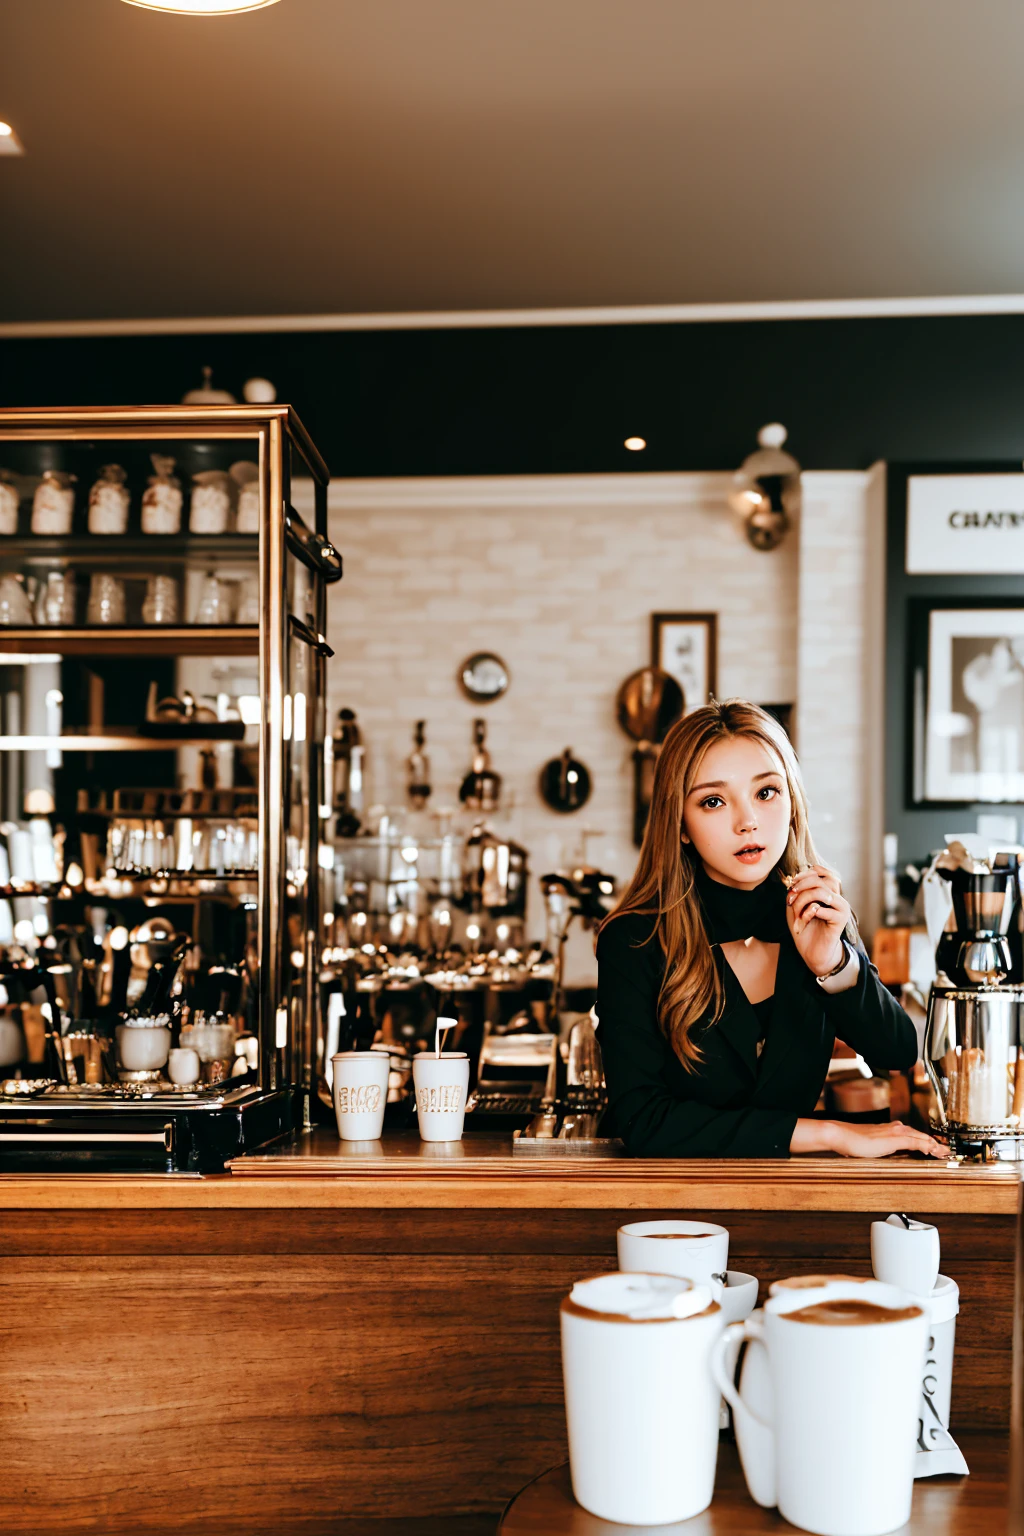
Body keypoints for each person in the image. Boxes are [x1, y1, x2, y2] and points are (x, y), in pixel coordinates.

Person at [596, 699, 945, 1159]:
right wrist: (831, 1134)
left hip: (787, 1201)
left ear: (793, 804)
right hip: (668, 1206)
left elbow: (898, 1053)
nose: (748, 821)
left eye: (766, 793)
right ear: (680, 825)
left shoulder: (816, 910)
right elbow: (643, 1120)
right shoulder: (633, 939)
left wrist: (832, 964)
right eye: (714, 801)